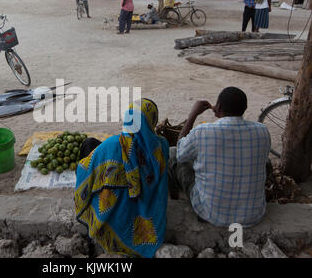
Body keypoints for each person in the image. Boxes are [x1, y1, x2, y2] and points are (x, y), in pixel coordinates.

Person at [75, 99, 170, 258]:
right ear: (152, 120)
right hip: (148, 215)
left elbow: (84, 170)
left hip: (117, 217)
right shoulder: (162, 146)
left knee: (89, 148)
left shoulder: (112, 146)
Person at [168, 87, 271, 228]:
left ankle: (175, 197)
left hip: (211, 214)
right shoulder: (262, 131)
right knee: (266, 162)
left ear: (219, 107)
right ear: (245, 108)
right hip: (253, 215)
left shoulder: (202, 132)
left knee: (173, 153)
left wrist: (193, 115)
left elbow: (180, 153)